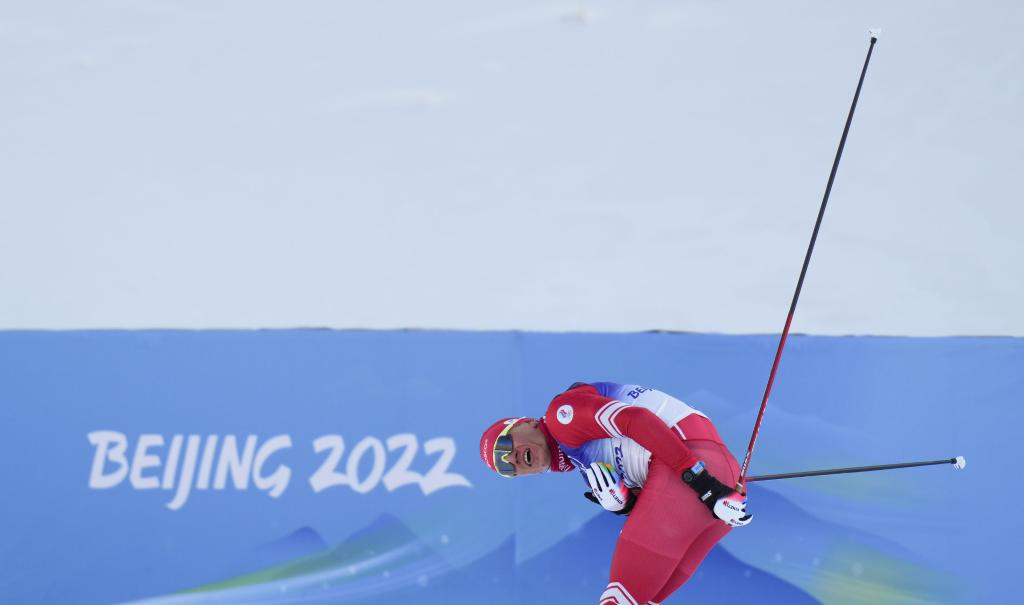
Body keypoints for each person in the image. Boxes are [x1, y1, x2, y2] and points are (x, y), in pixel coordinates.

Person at [479, 382, 752, 605]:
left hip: (696, 471)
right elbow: (659, 507)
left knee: (621, 598)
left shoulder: (562, 416)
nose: (511, 458)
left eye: (505, 444)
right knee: (644, 598)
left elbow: (636, 420)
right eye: (505, 467)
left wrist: (705, 485)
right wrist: (625, 504)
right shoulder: (584, 463)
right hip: (707, 479)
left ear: (527, 423)